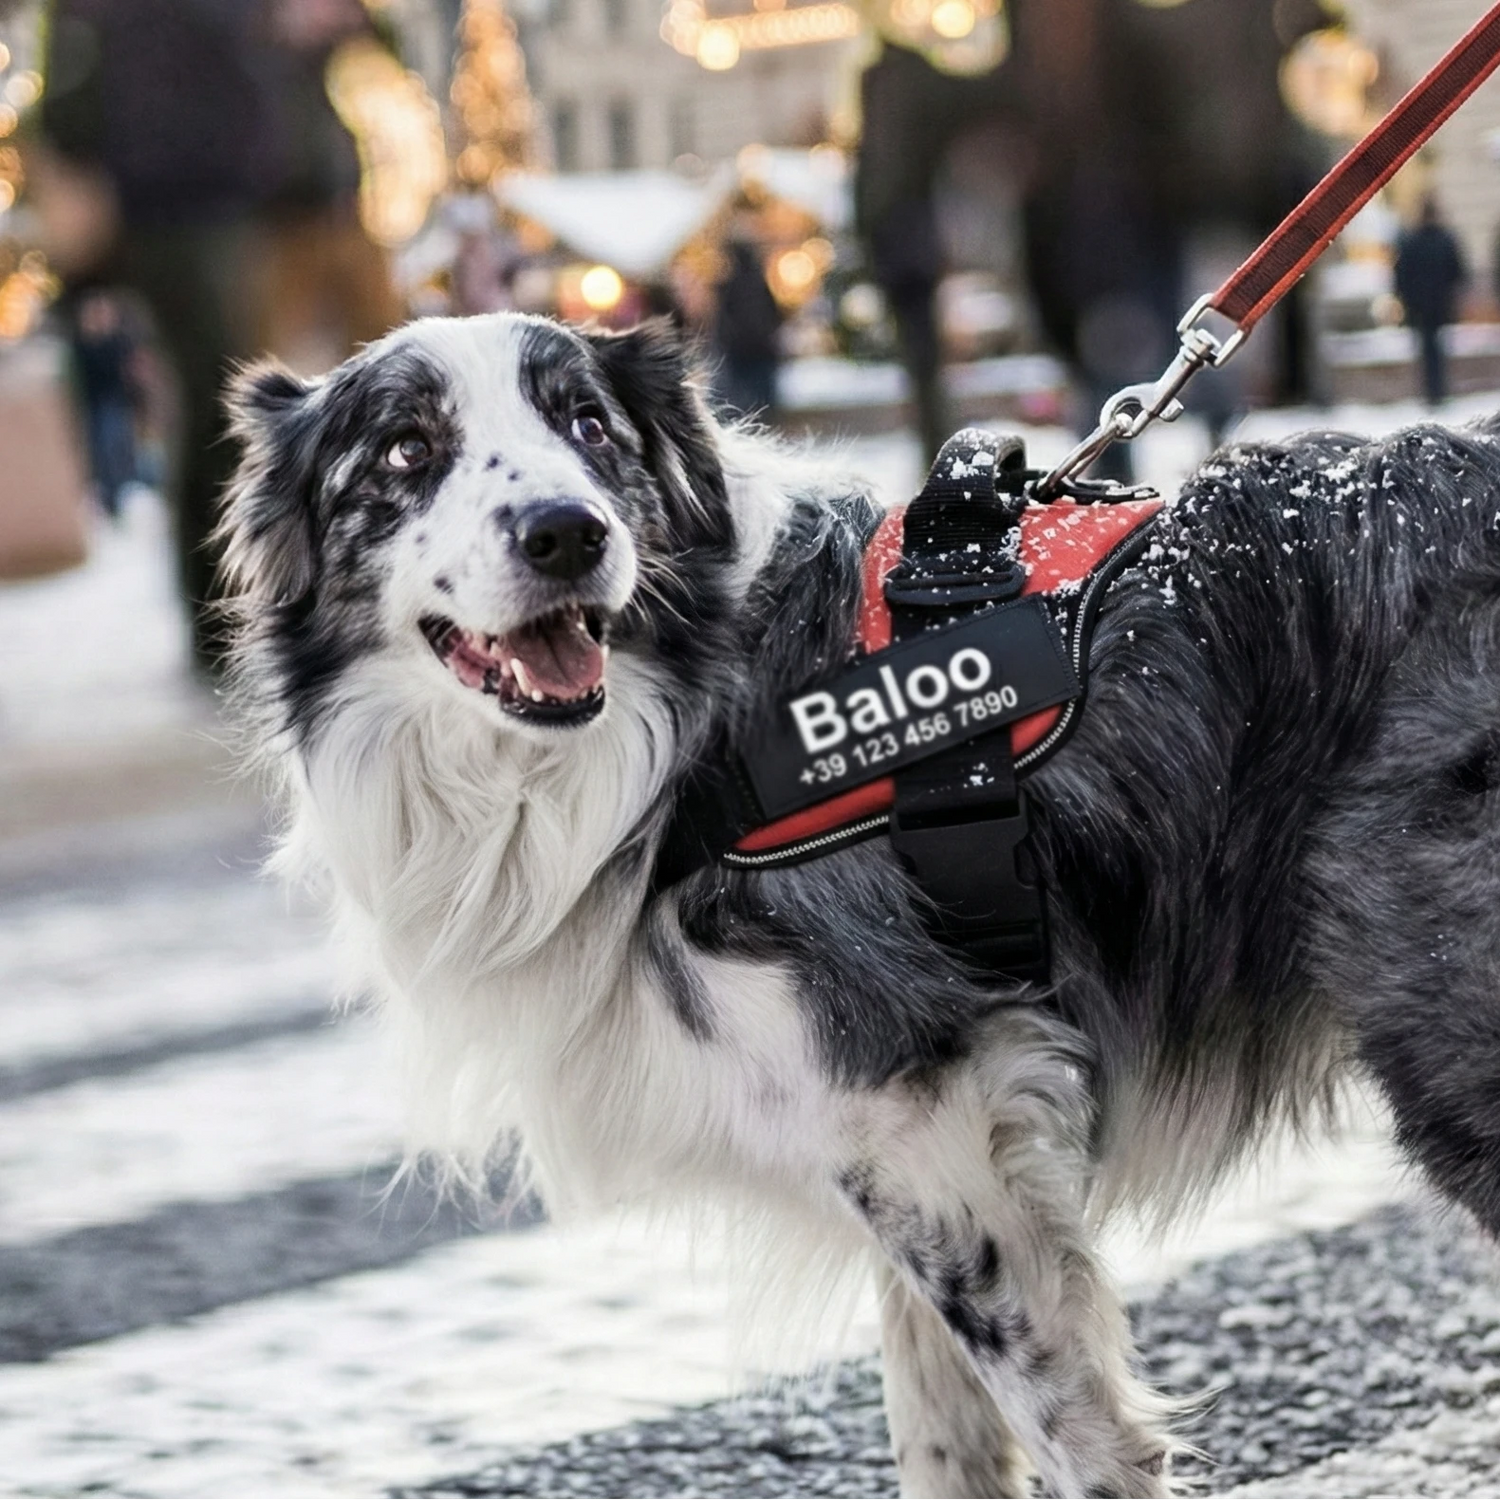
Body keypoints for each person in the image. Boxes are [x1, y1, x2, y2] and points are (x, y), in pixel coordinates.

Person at [1395, 199, 1467, 408]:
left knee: (1426, 348)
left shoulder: (1411, 241)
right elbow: (1457, 271)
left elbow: (1401, 274)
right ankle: (1439, 390)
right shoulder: (1446, 239)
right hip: (1440, 303)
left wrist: (1405, 297)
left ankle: (1430, 391)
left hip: (1419, 305)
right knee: (1439, 347)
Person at [711, 234, 783, 421]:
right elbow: (774, 313)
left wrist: (725, 342)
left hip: (741, 353)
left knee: (743, 404)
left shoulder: (730, 285)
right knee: (764, 403)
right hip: (761, 351)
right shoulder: (759, 282)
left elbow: (723, 319)